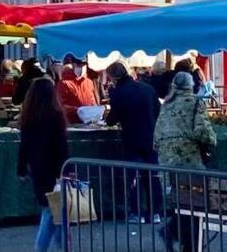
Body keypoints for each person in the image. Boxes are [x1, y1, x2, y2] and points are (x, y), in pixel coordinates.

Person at [154, 72, 217, 251]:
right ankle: (187, 242)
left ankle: (174, 233)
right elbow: (203, 133)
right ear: (191, 86)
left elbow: (156, 135)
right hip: (188, 161)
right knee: (195, 203)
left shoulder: (166, 105)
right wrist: (212, 141)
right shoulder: (195, 103)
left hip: (167, 162)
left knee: (179, 202)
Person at [105, 62, 163, 224]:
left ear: (113, 77)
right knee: (153, 176)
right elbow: (158, 111)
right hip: (151, 138)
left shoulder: (119, 93)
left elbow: (112, 119)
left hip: (131, 139)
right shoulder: (147, 88)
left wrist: (108, 117)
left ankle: (136, 213)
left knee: (134, 177)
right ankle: (155, 212)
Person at [17, 78, 69, 252]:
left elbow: (24, 145)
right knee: (53, 210)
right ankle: (45, 247)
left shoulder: (28, 117)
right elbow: (62, 146)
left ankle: (62, 246)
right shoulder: (56, 116)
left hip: (37, 167)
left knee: (54, 210)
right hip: (55, 168)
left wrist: (22, 167)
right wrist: (67, 169)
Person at [56, 56, 100, 124]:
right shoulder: (63, 83)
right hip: (72, 124)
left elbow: (93, 101)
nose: (82, 67)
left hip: (89, 122)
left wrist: (96, 110)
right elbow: (61, 106)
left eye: (84, 64)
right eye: (79, 64)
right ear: (73, 64)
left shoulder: (89, 82)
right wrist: (77, 110)